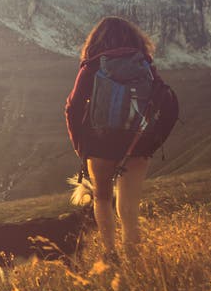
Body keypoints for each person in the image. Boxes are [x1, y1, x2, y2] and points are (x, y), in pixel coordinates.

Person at [65, 17, 177, 260]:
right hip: (137, 144)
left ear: (96, 41)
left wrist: (80, 147)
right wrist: (152, 141)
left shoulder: (92, 66)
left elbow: (72, 107)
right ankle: (134, 260)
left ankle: (110, 254)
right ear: (134, 38)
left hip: (99, 144)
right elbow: (167, 100)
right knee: (128, 209)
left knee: (102, 198)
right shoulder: (144, 66)